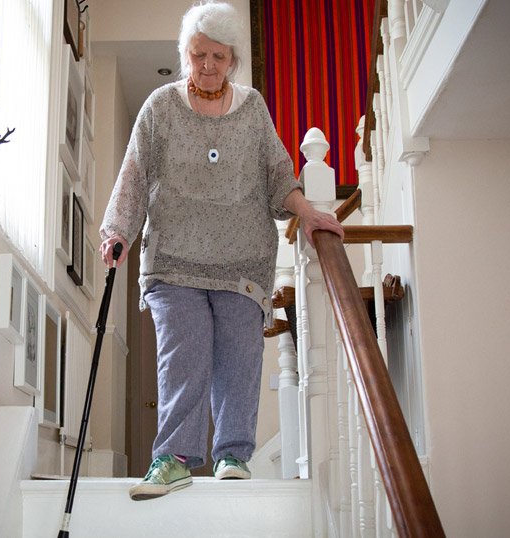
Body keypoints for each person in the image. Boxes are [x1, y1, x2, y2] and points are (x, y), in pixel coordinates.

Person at [99, 1, 344, 501]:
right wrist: (117, 231)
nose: (207, 64)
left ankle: (233, 456)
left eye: (217, 55)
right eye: (197, 54)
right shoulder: (160, 107)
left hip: (241, 262)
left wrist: (308, 211)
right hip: (173, 260)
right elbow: (134, 176)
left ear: (232, 59)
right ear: (184, 55)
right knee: (183, 354)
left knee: (240, 355)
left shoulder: (252, 109)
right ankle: (172, 460)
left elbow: (278, 176)